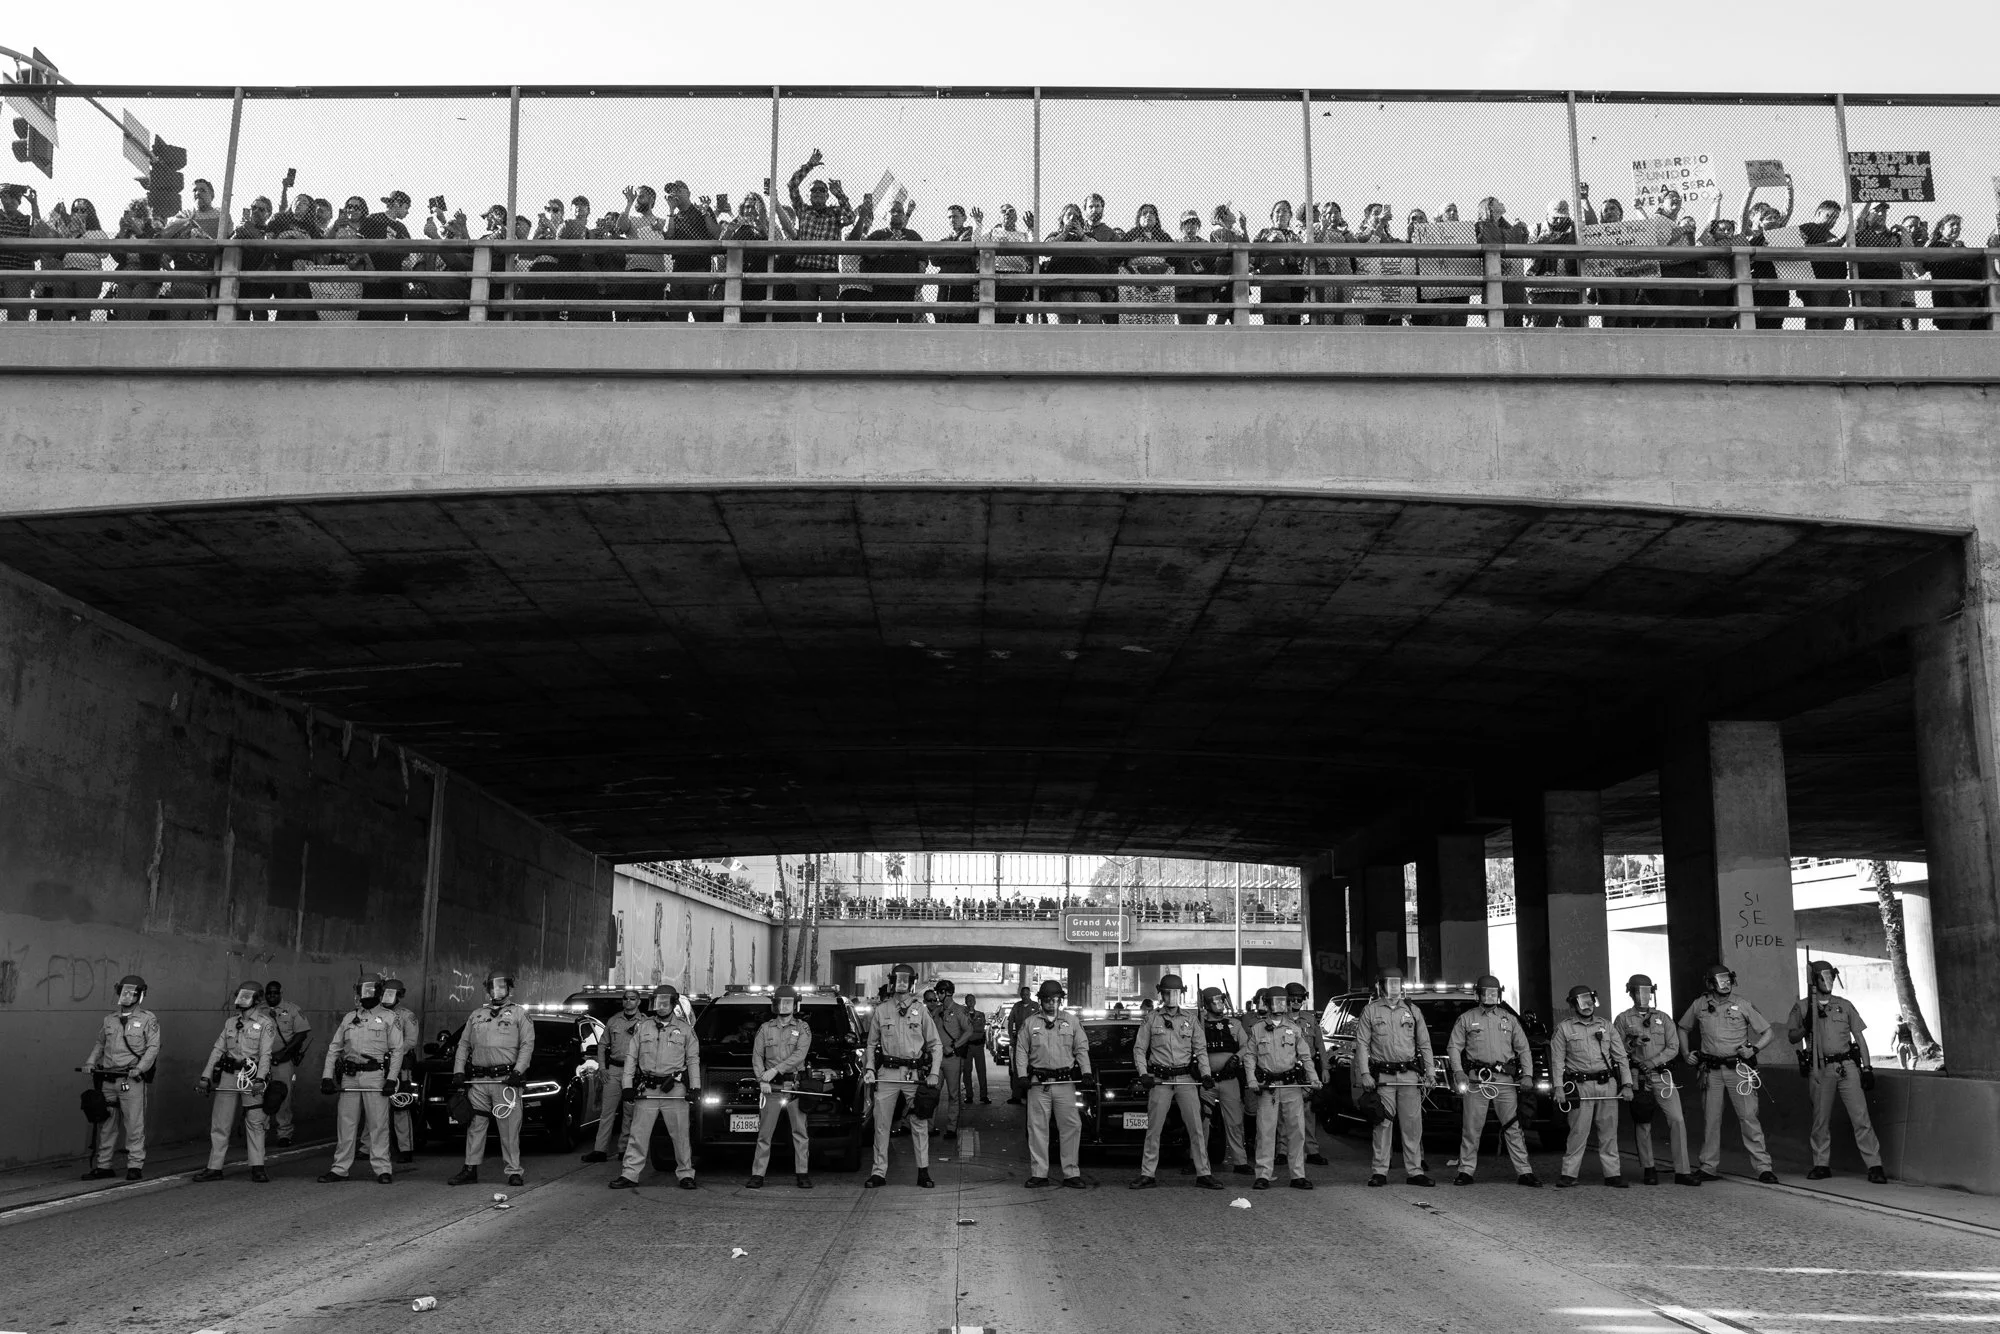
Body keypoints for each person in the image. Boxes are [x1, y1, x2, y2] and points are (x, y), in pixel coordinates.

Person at [1787, 961, 1887, 1183]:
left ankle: (1875, 1166)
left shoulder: (1844, 1004)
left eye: (1831, 977)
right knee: (1820, 1120)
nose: (1829, 982)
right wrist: (1807, 1025)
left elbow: (1859, 1037)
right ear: (1814, 979)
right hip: (1819, 1067)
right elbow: (1792, 1037)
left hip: (1847, 1067)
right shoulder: (1802, 1007)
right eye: (1824, 977)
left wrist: (1867, 1067)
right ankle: (1821, 1164)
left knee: (1861, 1117)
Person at [1678, 963, 1778, 1183]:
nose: (1725, 985)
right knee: (1711, 1120)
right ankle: (1708, 1167)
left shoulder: (1742, 1004)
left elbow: (1768, 1032)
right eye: (1720, 981)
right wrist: (1686, 1054)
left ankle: (1763, 1167)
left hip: (1738, 1070)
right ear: (1710, 983)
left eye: (1728, 980)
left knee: (1749, 1118)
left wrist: (1754, 1049)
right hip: (1711, 1070)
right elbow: (1683, 1028)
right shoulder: (1700, 1005)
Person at [1444, 974, 1539, 1186]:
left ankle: (1524, 1171)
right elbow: (1454, 1046)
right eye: (1486, 992)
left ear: (1499, 994)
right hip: (1476, 1080)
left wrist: (1528, 1075)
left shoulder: (1509, 1019)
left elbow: (1523, 1048)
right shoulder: (1467, 1018)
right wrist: (1458, 1071)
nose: (1490, 996)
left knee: (1513, 1126)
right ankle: (1466, 1170)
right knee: (1472, 1127)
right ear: (1478, 994)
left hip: (1504, 1081)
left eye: (1494, 993)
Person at [1130, 974, 1221, 1189]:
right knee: (1154, 1129)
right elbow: (1139, 1049)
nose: (1171, 997)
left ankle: (1204, 1173)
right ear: (1160, 993)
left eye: (1175, 993)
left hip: (1185, 1079)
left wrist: (1206, 1074)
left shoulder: (1191, 1019)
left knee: (1196, 1128)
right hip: (1159, 1080)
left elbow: (1201, 1050)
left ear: (1181, 994)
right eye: (1167, 992)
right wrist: (1143, 1074)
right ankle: (1148, 1174)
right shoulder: (1151, 1019)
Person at [450, 970, 535, 1187]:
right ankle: (470, 1168)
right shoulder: (477, 1014)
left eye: (501, 987)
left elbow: (527, 1045)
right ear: (487, 989)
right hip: (479, 1081)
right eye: (493, 987)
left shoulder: (519, 1014)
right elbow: (463, 1045)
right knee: (475, 1125)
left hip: (505, 1081)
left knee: (508, 1128)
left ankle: (514, 1171)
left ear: (509, 989)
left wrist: (518, 1071)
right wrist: (458, 1071)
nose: (496, 991)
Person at [318, 974, 404, 1184]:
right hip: (349, 1076)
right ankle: (339, 1168)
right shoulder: (349, 1018)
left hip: (375, 1076)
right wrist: (327, 1076)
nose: (366, 995)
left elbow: (397, 1050)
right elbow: (334, 1049)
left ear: (379, 992)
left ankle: (383, 1168)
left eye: (370, 991)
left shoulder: (389, 1018)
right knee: (346, 1124)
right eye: (362, 991)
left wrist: (392, 1079)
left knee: (378, 1124)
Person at [611, 986, 701, 1189]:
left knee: (680, 1134)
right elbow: (631, 1058)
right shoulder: (643, 1027)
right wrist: (627, 1086)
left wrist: (695, 1087)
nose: (660, 1007)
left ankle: (686, 1174)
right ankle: (629, 1174)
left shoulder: (685, 1030)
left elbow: (693, 1060)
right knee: (638, 1134)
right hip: (648, 1088)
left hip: (675, 1089)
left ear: (673, 1003)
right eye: (657, 1002)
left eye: (664, 1002)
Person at [863, 961, 942, 1188]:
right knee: (881, 1124)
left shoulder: (921, 1010)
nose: (901, 984)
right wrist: (869, 1068)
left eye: (906, 980)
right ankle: (879, 1172)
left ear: (912, 983)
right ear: (891, 981)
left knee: (919, 1122)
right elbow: (871, 1045)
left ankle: (923, 1171)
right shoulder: (882, 1010)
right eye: (898, 979)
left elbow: (935, 1045)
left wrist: (934, 1073)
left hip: (913, 1074)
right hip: (887, 1073)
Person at [1614, 973, 1696, 1186]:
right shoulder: (1623, 1019)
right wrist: (1632, 1044)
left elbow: (1674, 1046)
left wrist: (1653, 1062)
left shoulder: (1664, 1018)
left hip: (1662, 1075)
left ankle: (1683, 1170)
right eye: (1638, 992)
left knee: (1677, 1120)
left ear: (1652, 992)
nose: (1643, 996)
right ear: (1630, 993)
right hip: (1637, 1077)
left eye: (1647, 992)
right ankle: (1649, 1168)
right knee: (1643, 1123)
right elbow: (1615, 1049)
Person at [1354, 967, 1433, 1187]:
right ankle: (1380, 1171)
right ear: (1380, 986)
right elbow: (1362, 1044)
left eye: (1398, 984)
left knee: (1412, 1125)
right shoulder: (1370, 1011)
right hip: (1384, 1076)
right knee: (1382, 1124)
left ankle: (1415, 1171)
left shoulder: (1412, 1010)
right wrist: (1365, 1073)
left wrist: (1430, 1072)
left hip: (1409, 1075)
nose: (1395, 988)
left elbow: (1424, 1044)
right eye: (1390, 984)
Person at [192, 981, 276, 1182]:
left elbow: (265, 1055)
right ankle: (214, 1167)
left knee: (255, 1121)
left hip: (251, 1074)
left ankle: (257, 1166)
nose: (242, 1000)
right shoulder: (230, 1023)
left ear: (256, 999)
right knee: (220, 1122)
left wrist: (260, 1079)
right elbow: (217, 1050)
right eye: (240, 995)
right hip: (229, 1075)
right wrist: (205, 1076)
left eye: (247, 996)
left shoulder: (266, 1023)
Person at [1550, 985, 1632, 1187]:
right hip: (1580, 1085)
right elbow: (1557, 1061)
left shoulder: (1606, 1026)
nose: (1587, 1006)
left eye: (1589, 1001)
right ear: (1573, 1004)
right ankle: (1569, 1174)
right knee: (1578, 1130)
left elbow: (1621, 1056)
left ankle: (1613, 1174)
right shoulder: (1564, 1028)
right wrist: (1559, 1088)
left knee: (1608, 1130)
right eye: (1581, 1002)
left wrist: (1628, 1084)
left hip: (1607, 1084)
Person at [82, 974, 160, 1181]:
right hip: (108, 1078)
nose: (126, 996)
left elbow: (153, 1048)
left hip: (130, 1079)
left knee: (134, 1124)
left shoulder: (147, 1019)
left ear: (140, 995)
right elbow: (100, 1043)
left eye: (131, 993)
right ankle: (104, 1165)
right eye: (123, 992)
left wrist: (141, 1068)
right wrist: (90, 1062)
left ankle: (135, 1164)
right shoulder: (110, 1019)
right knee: (106, 1123)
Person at [1014, 978, 1091, 1187]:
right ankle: (1039, 1174)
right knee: (1037, 1128)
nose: (1051, 1004)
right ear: (1041, 1001)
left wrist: (1086, 1072)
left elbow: (1081, 1048)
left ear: (1060, 1001)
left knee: (1071, 1126)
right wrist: (1021, 1075)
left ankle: (1071, 1173)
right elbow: (1021, 1050)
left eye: (1055, 1000)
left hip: (1065, 1084)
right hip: (1038, 1084)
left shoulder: (1071, 1022)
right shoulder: (1030, 1023)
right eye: (1047, 1000)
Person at [1243, 985, 1321, 1189]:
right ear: (1267, 1004)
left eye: (1281, 1001)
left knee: (1296, 1131)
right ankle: (1263, 1175)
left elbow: (1305, 1056)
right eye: (1274, 1001)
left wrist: (1313, 1078)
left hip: (1291, 1086)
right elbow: (1250, 1056)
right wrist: (1251, 1079)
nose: (1278, 1006)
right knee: (1265, 1131)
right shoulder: (1258, 1028)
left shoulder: (1295, 1029)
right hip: (1268, 1086)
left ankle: (1298, 1175)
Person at [748, 984, 814, 1189]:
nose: (784, 1006)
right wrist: (762, 1080)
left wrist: (774, 1071)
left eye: (788, 1002)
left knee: (800, 1132)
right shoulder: (765, 1028)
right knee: (764, 1134)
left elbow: (799, 1056)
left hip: (793, 1085)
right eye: (781, 1002)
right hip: (771, 1089)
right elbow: (757, 1056)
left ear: (795, 1005)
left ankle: (802, 1173)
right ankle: (758, 1174)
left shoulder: (802, 1028)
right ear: (775, 1005)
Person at [786, 150, 854, 315]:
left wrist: (840, 194)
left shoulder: (835, 212)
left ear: (826, 195)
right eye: (814, 190)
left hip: (828, 270)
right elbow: (792, 185)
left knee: (830, 312)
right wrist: (809, 165)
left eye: (822, 190)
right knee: (806, 313)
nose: (817, 193)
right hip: (804, 269)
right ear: (809, 195)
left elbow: (851, 217)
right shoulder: (803, 210)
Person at [583, 988, 646, 1164]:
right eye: (625, 999)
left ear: (638, 1002)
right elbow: (602, 1045)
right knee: (607, 1112)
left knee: (629, 1113)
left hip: (634, 1072)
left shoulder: (645, 1022)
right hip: (614, 1070)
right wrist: (602, 1068)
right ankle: (600, 1150)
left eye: (632, 999)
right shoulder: (614, 1021)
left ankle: (624, 1150)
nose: (628, 1002)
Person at [1194, 987, 1251, 1175]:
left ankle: (1240, 1161)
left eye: (1221, 1001)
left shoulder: (1234, 1024)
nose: (1220, 1006)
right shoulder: (1198, 1024)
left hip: (1229, 1079)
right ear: (1206, 1004)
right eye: (1215, 1002)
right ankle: (1198, 1161)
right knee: (1201, 1122)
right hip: (1207, 1081)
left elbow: (1247, 1046)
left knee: (1234, 1121)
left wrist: (1237, 1058)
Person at [1277, 982, 1331, 1165]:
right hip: (1286, 1071)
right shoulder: (1279, 1020)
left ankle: (1312, 1150)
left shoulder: (1310, 1019)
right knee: (1284, 1112)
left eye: (1300, 998)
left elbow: (1320, 1047)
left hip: (1307, 1071)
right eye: (1293, 998)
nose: (1297, 1002)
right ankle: (1283, 1151)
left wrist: (1324, 1069)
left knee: (1308, 1112)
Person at [263, 979, 312, 1147]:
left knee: (283, 1096)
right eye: (268, 993)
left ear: (280, 993)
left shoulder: (292, 1009)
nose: (271, 996)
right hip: (261, 1061)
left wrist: (285, 1052)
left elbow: (302, 1033)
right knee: (259, 1095)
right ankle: (260, 1132)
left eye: (275, 992)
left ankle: (284, 1133)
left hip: (283, 1061)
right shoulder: (258, 1010)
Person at [861, 199, 925, 323]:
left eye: (900, 211)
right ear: (886, 214)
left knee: (907, 330)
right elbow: (868, 255)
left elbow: (922, 260)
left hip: (907, 291)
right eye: (893, 211)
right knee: (884, 329)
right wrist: (888, 242)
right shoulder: (877, 235)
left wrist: (919, 284)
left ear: (903, 215)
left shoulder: (913, 236)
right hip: (882, 291)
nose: (896, 214)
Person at [357, 190, 413, 319]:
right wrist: (369, 263)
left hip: (395, 280)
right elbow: (361, 243)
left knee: (394, 316)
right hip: (374, 276)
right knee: (370, 314)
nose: (407, 211)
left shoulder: (402, 228)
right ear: (397, 203)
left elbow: (408, 255)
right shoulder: (374, 219)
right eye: (406, 207)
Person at [1119, 204, 1177, 324]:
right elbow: (1118, 256)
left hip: (1159, 281)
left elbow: (1176, 258)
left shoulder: (1163, 236)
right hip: (1135, 281)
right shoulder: (1131, 235)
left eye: (1152, 213)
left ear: (1156, 218)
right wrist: (1132, 247)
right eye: (1144, 213)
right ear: (1139, 218)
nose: (1148, 215)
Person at [1006, 982, 1034, 1102]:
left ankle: (1031, 1096)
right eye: (1023, 995)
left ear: (1030, 995)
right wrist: (1011, 1038)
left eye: (1027, 994)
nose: (1025, 997)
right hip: (1019, 1042)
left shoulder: (1036, 1007)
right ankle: (1016, 1096)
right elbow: (1010, 1022)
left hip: (1033, 1043)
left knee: (1033, 1069)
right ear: (1020, 995)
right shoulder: (1016, 1006)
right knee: (1017, 1069)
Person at [961, 996, 990, 1103]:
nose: (970, 1002)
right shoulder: (962, 1015)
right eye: (968, 1001)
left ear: (975, 1002)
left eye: (972, 1000)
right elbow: (962, 1028)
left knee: (981, 1071)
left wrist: (969, 1028)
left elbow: (980, 1029)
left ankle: (984, 1096)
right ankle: (969, 1096)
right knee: (967, 1071)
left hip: (978, 1047)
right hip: (967, 1047)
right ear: (965, 1002)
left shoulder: (980, 1015)